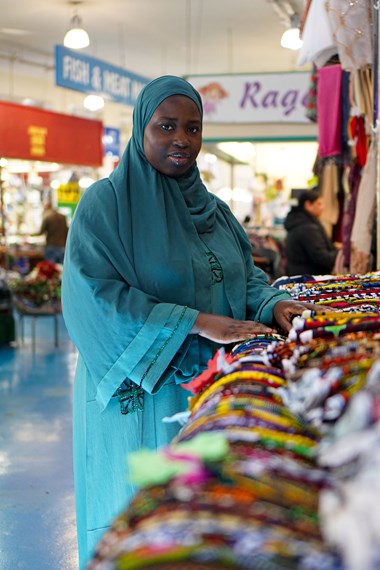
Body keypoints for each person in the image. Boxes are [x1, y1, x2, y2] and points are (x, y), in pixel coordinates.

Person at [61, 75, 321, 568]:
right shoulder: (106, 206)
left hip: (204, 390)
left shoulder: (217, 213)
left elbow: (244, 278)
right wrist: (196, 321)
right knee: (141, 520)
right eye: (166, 126)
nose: (181, 139)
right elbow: (92, 297)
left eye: (193, 128)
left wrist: (273, 305)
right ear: (141, 129)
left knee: (197, 522)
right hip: (140, 393)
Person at [284, 188, 339, 276]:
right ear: (308, 205)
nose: (323, 207)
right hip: (309, 280)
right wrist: (341, 253)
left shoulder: (299, 223)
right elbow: (322, 258)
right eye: (319, 204)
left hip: (299, 276)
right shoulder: (308, 228)